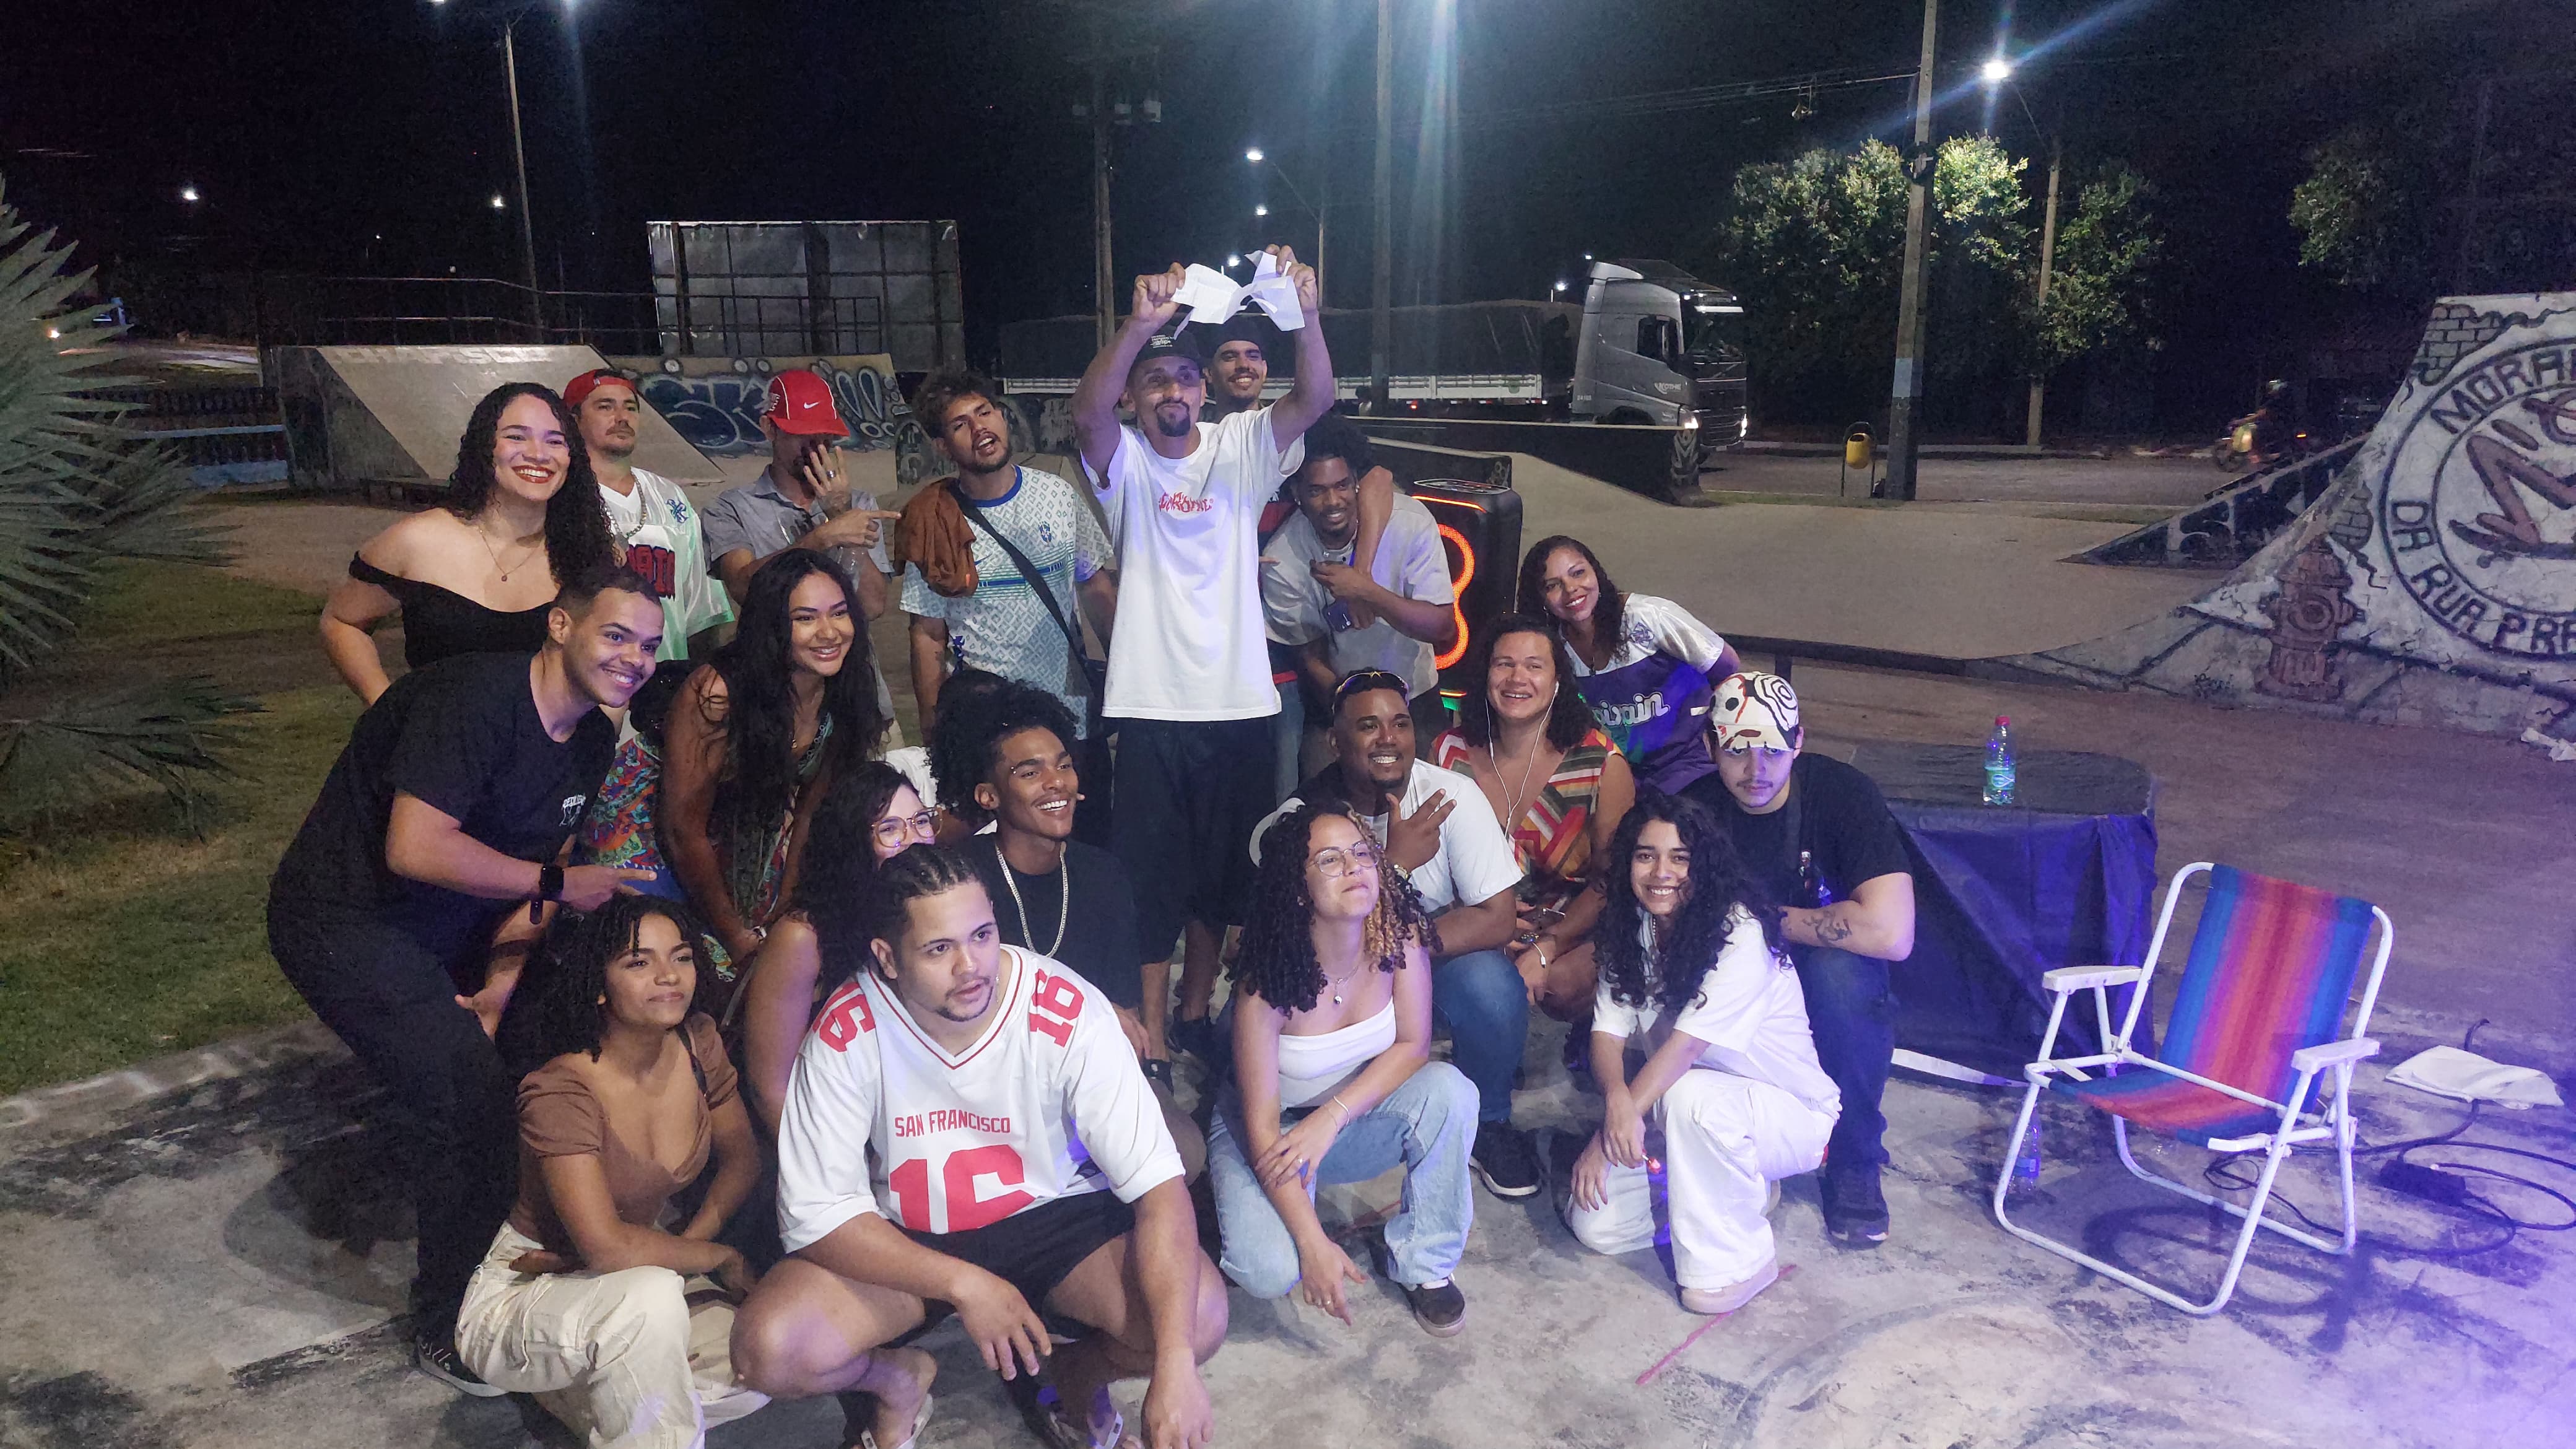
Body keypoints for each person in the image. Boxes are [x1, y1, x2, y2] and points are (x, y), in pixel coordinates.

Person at [266, 562, 664, 1393]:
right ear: (561, 625)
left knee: (555, 1046)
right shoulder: (473, 700)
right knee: (468, 1101)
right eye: (617, 635)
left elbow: (540, 877)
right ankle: (447, 1320)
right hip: (345, 919)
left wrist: (498, 988)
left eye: (650, 646)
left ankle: (553, 1243)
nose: (635, 658)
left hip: (454, 929)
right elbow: (416, 848)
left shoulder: (593, 740)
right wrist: (558, 886)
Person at [729, 848, 1227, 1449]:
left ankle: (1073, 1377)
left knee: (1198, 1320)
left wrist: (1175, 1367)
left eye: (982, 935)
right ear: (887, 957)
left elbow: (1158, 1186)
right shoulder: (846, 1031)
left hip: (1056, 1217)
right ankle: (897, 1382)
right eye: (939, 948)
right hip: (913, 1230)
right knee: (770, 1348)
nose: (970, 966)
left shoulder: (1066, 1006)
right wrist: (968, 1285)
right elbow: (819, 1218)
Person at [1069, 246, 1377, 1109]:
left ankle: (1196, 1011)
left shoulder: (1244, 444)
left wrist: (1306, 313)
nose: (1171, 392)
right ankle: (1152, 1039)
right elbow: (1085, 414)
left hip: (1241, 705)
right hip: (1152, 708)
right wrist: (1136, 329)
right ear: (1137, 397)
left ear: (1204, 390)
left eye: (1182, 379)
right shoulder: (1126, 462)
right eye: (1154, 382)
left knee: (1221, 881)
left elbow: (1315, 398)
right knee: (1151, 882)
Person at [455, 897, 769, 1447]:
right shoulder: (562, 1088)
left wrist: (680, 1255)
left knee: (759, 1364)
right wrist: (717, 1257)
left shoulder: (697, 1043)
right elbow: (603, 1246)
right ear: (600, 985)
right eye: (638, 962)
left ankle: (584, 1393)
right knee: (648, 1305)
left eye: (681, 957)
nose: (668, 976)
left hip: (633, 1272)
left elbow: (742, 1161)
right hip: (527, 1287)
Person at [1252, 671, 1539, 1201]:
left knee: (1491, 984)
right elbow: (1287, 941)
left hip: (1419, 962)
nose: (1388, 738)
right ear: (1334, 741)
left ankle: (1490, 1121)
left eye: (1400, 724)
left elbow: (1497, 917)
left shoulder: (1451, 795)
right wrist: (1395, 866)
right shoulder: (1299, 822)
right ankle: (1284, 1122)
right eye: (1368, 726)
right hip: (1329, 978)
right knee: (1241, 1023)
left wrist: (1398, 945)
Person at [1563, 792, 1840, 1316]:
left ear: (1704, 864)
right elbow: (1606, 1033)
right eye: (1646, 856)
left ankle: (1740, 1262)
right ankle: (1737, 1189)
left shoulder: (1740, 933)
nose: (1661, 873)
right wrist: (1617, 1101)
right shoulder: (1634, 925)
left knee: (1690, 1097)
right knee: (1596, 1223)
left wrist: (1604, 1139)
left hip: (1786, 1116)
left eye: (1680, 858)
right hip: (1681, 1110)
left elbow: (1685, 1050)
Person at [1213, 801, 1476, 1336]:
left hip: (1344, 1121)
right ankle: (1216, 1197)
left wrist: (1329, 1119)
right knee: (1271, 1270)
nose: (1355, 867)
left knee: (1451, 1091)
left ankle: (1425, 1263)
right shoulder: (1265, 984)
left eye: (1361, 853)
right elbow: (1263, 1130)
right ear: (1298, 887)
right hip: (1272, 1135)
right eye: (1330, 860)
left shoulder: (1398, 938)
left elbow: (1414, 1046)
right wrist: (1314, 1244)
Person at [932, 679, 1206, 1179]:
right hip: (990, 1079)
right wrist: (1083, 1020)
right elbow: (957, 1018)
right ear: (988, 795)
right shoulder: (961, 878)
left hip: (1088, 1074)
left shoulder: (1103, 874)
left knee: (1183, 1152)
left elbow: (1123, 1016)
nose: (1056, 782)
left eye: (1063, 765)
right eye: (1030, 772)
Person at [1681, 671, 1915, 1248]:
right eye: (1737, 751)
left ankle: (1855, 1157)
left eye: (1773, 750)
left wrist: (1762, 916)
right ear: (1710, 746)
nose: (1756, 769)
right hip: (1733, 964)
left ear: (1799, 742)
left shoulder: (1842, 794)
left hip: (1814, 963)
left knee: (1844, 979)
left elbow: (1892, 933)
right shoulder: (1694, 811)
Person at [895, 367, 1117, 841]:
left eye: (985, 412)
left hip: (1072, 719)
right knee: (1002, 859)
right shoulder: (932, 518)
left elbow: (1096, 589)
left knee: (1088, 850)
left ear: (1001, 415)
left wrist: (1128, 679)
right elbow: (927, 634)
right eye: (960, 424)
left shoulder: (1056, 496)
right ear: (942, 446)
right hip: (988, 729)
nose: (980, 429)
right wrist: (935, 733)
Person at [662, 550, 891, 999]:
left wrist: (785, 914)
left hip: (755, 820)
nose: (830, 632)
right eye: (805, 618)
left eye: (839, 613)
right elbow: (682, 830)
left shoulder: (841, 686)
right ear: (772, 626)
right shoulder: (716, 695)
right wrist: (737, 938)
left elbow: (809, 815)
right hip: (659, 824)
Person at [320, 382, 617, 703]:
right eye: (516, 437)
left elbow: (619, 653)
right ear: (485, 447)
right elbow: (341, 621)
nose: (538, 454)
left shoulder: (593, 552)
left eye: (555, 441)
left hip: (559, 737)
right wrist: (386, 708)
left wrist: (606, 723)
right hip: (442, 734)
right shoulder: (417, 541)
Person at [1430, 614, 1636, 1022]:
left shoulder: (1600, 763)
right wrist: (1485, 927)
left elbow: (1612, 881)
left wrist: (1550, 944)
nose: (1517, 678)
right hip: (1474, 921)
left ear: (1558, 681)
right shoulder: (1447, 752)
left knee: (1560, 986)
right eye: (1504, 664)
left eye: (1534, 666)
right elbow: (1429, 865)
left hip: (1569, 929)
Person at [736, 760, 938, 1136]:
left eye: (921, 821)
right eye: (890, 829)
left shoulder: (932, 914)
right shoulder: (803, 937)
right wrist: (825, 1165)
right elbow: (771, 1090)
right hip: (823, 1134)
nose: (914, 840)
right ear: (852, 845)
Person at [700, 368, 903, 734]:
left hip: (857, 702)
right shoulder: (732, 508)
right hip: (773, 706)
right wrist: (821, 537)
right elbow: (744, 587)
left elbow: (873, 606)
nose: (816, 447)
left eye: (824, 436)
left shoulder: (857, 504)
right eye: (802, 435)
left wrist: (840, 513)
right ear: (770, 429)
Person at [1261, 414, 1458, 760]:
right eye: (1317, 491)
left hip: (1416, 696)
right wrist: (1358, 709)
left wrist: (1366, 592)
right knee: (1321, 789)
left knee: (1432, 791)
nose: (1333, 501)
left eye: (1341, 486)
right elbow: (1311, 656)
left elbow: (1442, 628)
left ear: (1356, 482)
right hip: (1339, 703)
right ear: (1297, 494)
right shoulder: (1284, 558)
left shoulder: (1409, 522)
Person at [1518, 535, 1741, 794]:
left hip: (1693, 767)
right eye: (1553, 585)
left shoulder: (1648, 616)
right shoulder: (1553, 644)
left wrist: (1718, 740)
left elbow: (1727, 667)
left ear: (1596, 571)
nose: (1571, 589)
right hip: (1626, 775)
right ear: (1541, 597)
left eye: (1578, 573)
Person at [565, 368, 736, 661]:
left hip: (665, 675)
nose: (622, 417)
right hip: (584, 677)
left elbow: (701, 616)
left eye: (630, 408)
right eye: (605, 406)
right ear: (573, 420)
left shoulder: (670, 497)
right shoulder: (559, 496)